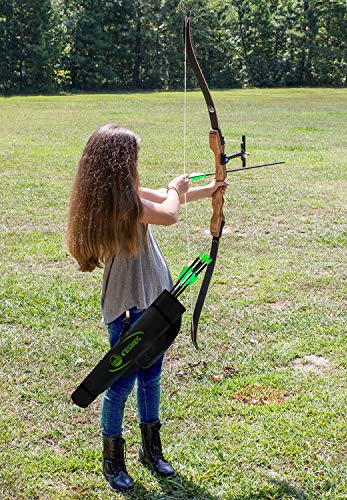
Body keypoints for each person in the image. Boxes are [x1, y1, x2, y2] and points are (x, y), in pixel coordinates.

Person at [66, 124, 227, 492]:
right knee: (120, 382)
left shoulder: (123, 192)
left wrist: (212, 189)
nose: (137, 163)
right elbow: (169, 212)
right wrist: (175, 187)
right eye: (134, 157)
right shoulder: (119, 202)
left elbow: (168, 200)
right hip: (129, 303)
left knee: (151, 376)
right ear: (120, 163)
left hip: (155, 295)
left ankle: (151, 451)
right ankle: (112, 460)